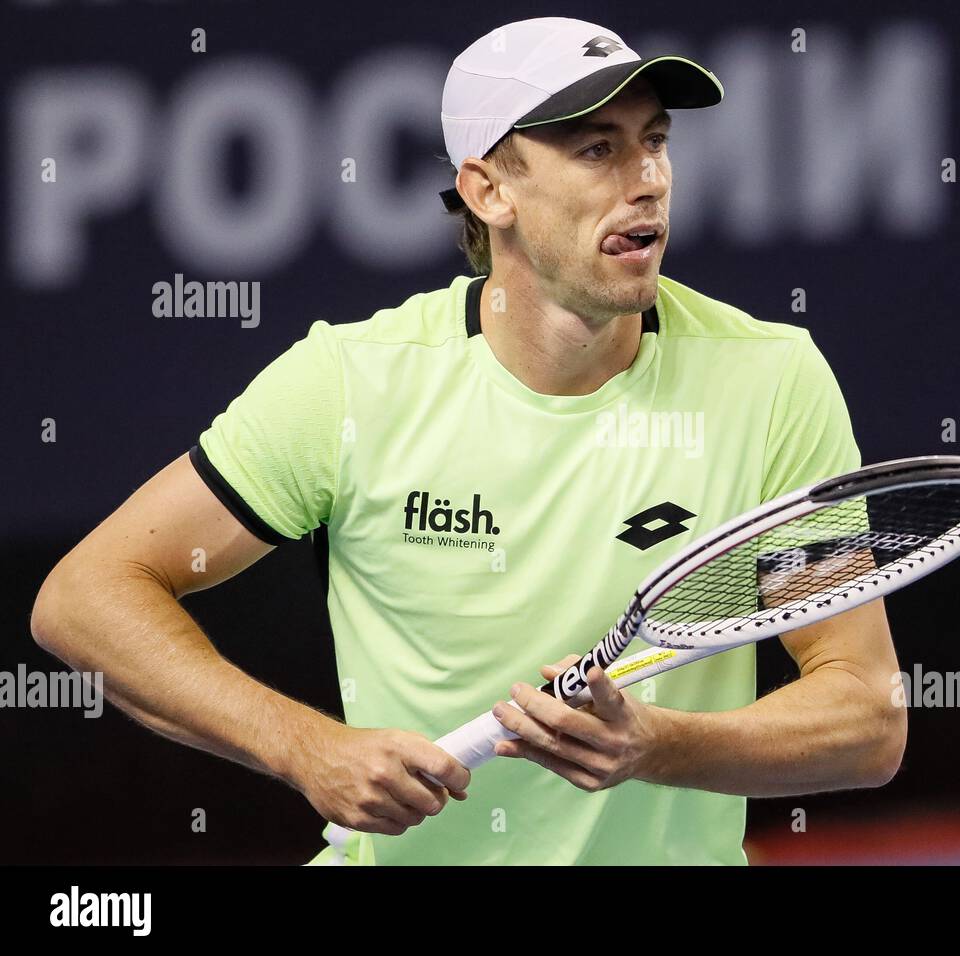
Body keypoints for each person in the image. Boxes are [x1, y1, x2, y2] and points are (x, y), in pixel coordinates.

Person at [31, 16, 905, 865]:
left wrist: (656, 744)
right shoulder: (352, 383)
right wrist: (306, 749)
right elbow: (85, 597)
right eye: (598, 149)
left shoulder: (770, 382)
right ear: (491, 190)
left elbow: (866, 715)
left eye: (656, 140)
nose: (647, 178)